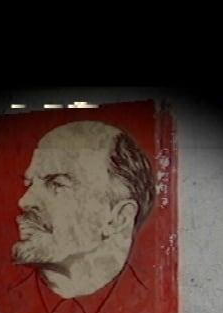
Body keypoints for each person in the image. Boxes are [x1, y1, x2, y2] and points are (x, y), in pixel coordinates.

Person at [13, 120, 156, 301]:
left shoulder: (154, 299)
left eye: (57, 185)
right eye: (30, 183)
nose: (24, 202)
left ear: (118, 218)